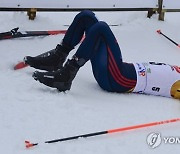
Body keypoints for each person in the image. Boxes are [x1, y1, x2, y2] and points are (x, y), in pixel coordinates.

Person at [24, 10, 180, 99]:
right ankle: (57, 58)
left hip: (119, 79)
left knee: (102, 28)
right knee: (87, 17)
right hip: (117, 70)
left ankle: (66, 75)